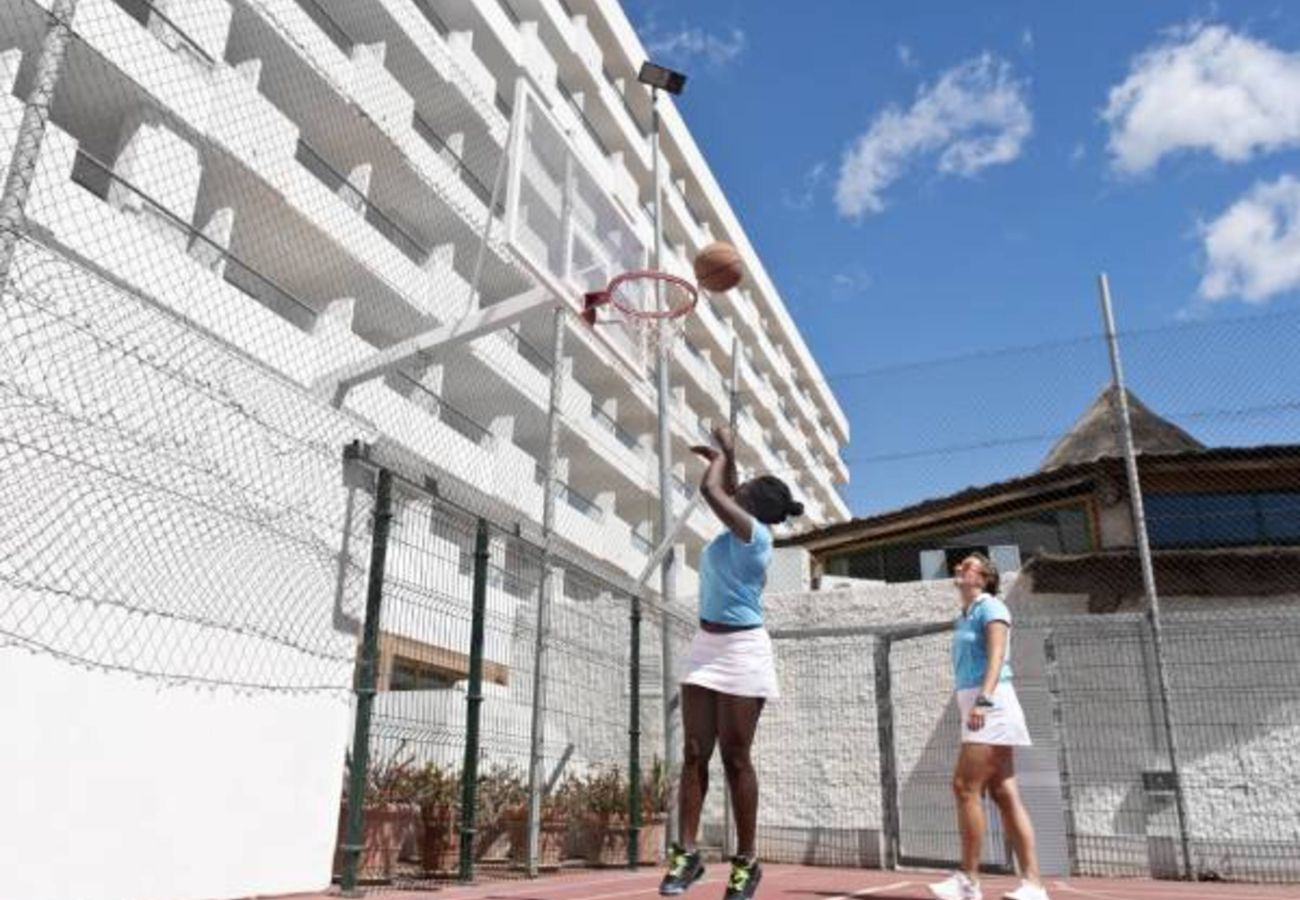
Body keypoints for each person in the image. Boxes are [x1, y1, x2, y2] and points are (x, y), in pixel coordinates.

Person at [658, 425, 803, 900]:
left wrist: (719, 456)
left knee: (736, 758)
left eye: (742, 490)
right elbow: (727, 489)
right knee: (695, 753)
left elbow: (710, 489)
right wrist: (732, 453)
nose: (735, 490)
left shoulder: (756, 538)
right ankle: (688, 855)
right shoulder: (743, 526)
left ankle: (746, 862)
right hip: (706, 646)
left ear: (752, 506)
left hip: (743, 651)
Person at [929, 554, 1050, 900]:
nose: (959, 568)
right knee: (1003, 792)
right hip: (978, 701)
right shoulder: (964, 615)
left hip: (992, 702)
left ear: (984, 578)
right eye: (959, 565)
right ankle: (1033, 886)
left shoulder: (991, 606)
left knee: (965, 786)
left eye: (968, 565)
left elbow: (998, 657)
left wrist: (983, 699)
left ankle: (968, 881)